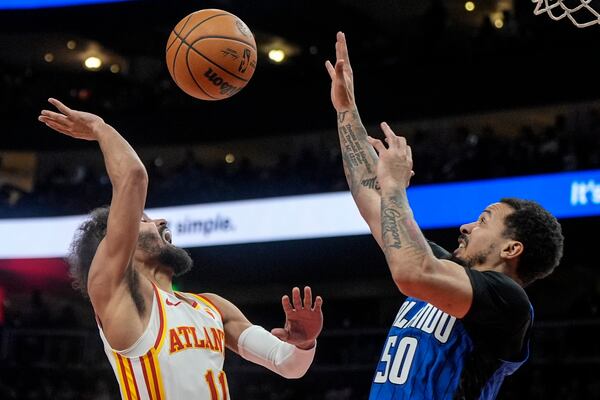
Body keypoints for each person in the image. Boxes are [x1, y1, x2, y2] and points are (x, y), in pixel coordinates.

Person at [326, 32, 564, 399]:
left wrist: (394, 187)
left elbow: (410, 272)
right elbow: (372, 203)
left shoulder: (507, 303)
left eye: (484, 220)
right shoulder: (443, 268)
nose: (466, 226)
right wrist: (346, 112)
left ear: (511, 248)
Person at [38, 99, 323, 400]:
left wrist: (303, 343)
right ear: (122, 240)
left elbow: (287, 364)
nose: (160, 220)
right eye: (145, 220)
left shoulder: (213, 307)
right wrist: (99, 128)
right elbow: (133, 177)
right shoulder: (117, 294)